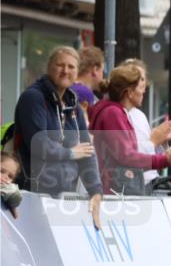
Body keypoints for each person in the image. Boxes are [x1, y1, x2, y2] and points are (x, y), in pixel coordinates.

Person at [13, 46, 103, 228]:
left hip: (64, 197)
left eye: (71, 67)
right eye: (60, 65)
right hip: (33, 195)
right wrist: (70, 153)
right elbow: (38, 143)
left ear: (77, 71)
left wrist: (95, 191)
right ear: (49, 68)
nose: (65, 71)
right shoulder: (33, 98)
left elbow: (86, 151)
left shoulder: (74, 105)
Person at [89, 62, 171, 195]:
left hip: (113, 190)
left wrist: (163, 155)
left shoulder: (115, 112)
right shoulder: (113, 113)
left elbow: (126, 154)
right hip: (114, 193)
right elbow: (126, 156)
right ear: (129, 92)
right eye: (140, 87)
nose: (144, 91)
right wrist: (164, 159)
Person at [70, 46, 105, 121]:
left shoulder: (70, 87)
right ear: (95, 70)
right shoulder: (84, 92)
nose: (103, 75)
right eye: (102, 71)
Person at [1, 152, 23, 218]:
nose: (6, 177)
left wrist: (12, 206)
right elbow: (14, 192)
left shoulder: (4, 188)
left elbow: (14, 193)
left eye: (10, 176)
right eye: (1, 171)